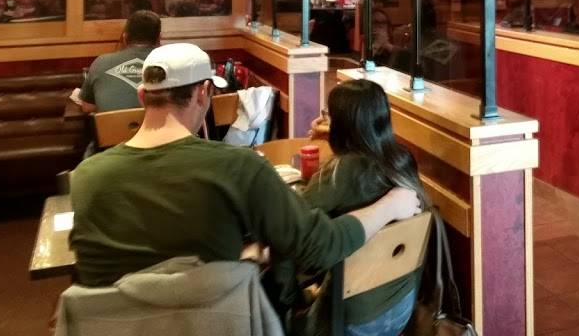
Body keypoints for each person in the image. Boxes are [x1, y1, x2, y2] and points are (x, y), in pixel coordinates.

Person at [69, 43, 420, 291]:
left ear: (142, 96)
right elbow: (318, 245)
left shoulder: (85, 177)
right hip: (215, 321)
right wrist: (390, 206)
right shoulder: (238, 166)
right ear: (204, 93)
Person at [292, 80, 427, 336]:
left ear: (341, 125)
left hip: (355, 318)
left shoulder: (339, 172)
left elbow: (296, 219)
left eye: (329, 115)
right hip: (402, 306)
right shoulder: (402, 160)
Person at [72, 10, 162, 113]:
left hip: (111, 124)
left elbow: (87, 107)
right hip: (159, 123)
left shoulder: (101, 62)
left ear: (125, 37)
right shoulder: (170, 64)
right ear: (159, 39)